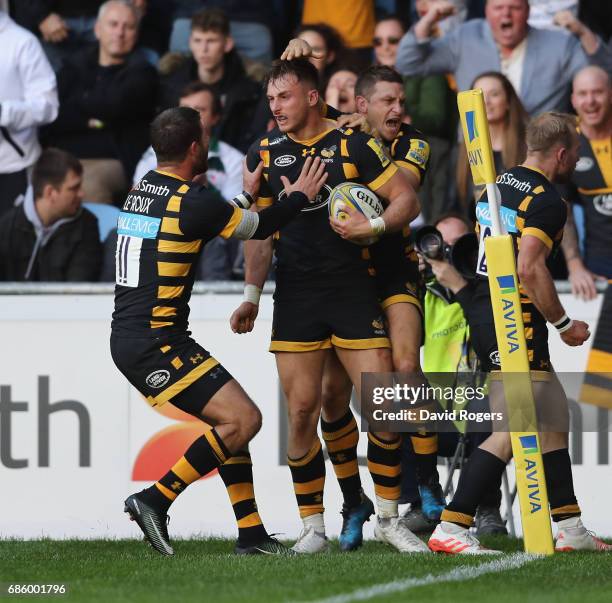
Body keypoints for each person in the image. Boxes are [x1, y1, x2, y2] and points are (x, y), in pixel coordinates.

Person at [231, 58, 428, 555]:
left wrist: (373, 227)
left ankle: (388, 518)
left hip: (353, 291)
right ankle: (313, 527)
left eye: (285, 96)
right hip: (296, 294)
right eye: (271, 98)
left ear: (314, 97)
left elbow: (406, 200)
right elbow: (259, 232)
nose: (275, 107)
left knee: (383, 407)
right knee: (301, 412)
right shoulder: (264, 152)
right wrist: (252, 295)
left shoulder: (354, 144)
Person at [113, 105, 328, 557]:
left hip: (139, 337)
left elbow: (203, 223)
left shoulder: (143, 191)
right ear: (196, 148)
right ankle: (154, 499)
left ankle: (251, 534)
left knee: (229, 423)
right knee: (244, 419)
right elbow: (257, 228)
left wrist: (247, 196)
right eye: (205, 136)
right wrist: (299, 196)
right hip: (155, 342)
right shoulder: (194, 199)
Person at [426, 112, 612, 554]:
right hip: (517, 318)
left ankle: (569, 528)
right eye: (576, 152)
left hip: (491, 309)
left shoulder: (500, 182)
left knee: (552, 417)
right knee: (516, 425)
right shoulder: (548, 201)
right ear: (562, 153)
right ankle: (452, 524)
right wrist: (565, 324)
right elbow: (529, 268)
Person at [402, 213, 507, 536]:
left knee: (488, 408)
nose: (446, 254)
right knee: (396, 402)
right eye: (439, 246)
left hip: (480, 404)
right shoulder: (424, 293)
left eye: (456, 246)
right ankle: (420, 503)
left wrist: (462, 284)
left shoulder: (488, 294)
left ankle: (486, 507)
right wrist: (413, 282)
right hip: (437, 411)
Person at [396, 0, 612, 115]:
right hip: (478, 155)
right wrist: (429, 20)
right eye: (498, 7)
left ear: (528, 11)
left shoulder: (559, 44)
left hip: (541, 154)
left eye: (514, 7)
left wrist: (583, 33)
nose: (506, 14)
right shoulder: (465, 37)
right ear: (487, 11)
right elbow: (408, 63)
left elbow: (603, 75)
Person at [42, 0, 158, 205]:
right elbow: (53, 114)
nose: (120, 33)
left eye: (128, 27)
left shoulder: (144, 72)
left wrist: (79, 109)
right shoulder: (74, 65)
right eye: (113, 24)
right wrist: (93, 120)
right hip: (63, 155)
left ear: (136, 33)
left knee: (86, 183)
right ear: (97, 29)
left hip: (115, 159)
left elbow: (113, 106)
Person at [134, 81, 245, 281]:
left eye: (199, 110)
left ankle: (217, 302)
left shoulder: (234, 160)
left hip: (213, 235)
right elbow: (136, 200)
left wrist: (205, 189)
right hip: (160, 230)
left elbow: (232, 217)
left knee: (211, 238)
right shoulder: (153, 153)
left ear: (216, 117)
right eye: (185, 110)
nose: (189, 118)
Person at [159, 8, 265, 154]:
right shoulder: (171, 84)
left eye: (211, 40)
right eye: (198, 40)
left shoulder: (248, 90)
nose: (204, 49)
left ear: (227, 44)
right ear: (190, 43)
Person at [0, 148, 101, 281]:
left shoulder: (87, 225)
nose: (82, 194)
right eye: (74, 188)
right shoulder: (6, 228)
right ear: (50, 193)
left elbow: (78, 293)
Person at [0, 9, 58, 217]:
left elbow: (48, 106)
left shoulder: (23, 42)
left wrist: (4, 112)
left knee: (12, 245)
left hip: (13, 167)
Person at [561, 66, 612, 300]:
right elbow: (563, 207)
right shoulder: (567, 143)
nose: (590, 101)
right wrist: (574, 265)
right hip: (599, 265)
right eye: (582, 94)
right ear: (573, 99)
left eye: (597, 92)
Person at [457, 71, 527, 211]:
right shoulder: (460, 153)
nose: (486, 102)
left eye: (494, 94)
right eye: (479, 96)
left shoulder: (528, 148)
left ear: (508, 102)